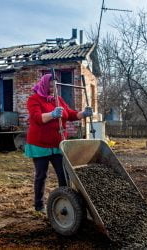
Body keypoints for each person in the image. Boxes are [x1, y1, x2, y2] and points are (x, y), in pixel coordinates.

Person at [24, 73, 93, 212]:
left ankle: (65, 201)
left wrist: (83, 113)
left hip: (58, 145)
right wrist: (53, 114)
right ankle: (39, 205)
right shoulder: (34, 99)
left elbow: (71, 114)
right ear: (44, 84)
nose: (53, 87)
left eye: (55, 85)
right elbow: (37, 118)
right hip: (40, 145)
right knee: (41, 175)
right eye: (50, 85)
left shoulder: (58, 100)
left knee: (64, 174)